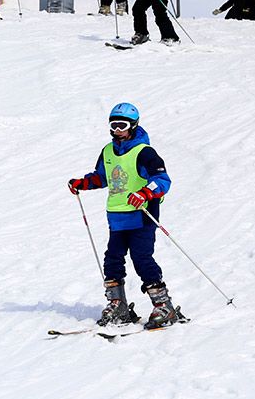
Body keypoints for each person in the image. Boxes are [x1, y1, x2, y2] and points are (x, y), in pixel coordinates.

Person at [67, 103, 180, 330]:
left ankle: (163, 306)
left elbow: (163, 180)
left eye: (123, 124)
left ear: (133, 125)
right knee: (113, 260)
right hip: (117, 217)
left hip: (142, 215)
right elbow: (102, 177)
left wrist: (145, 192)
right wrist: (82, 183)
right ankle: (117, 305)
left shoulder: (145, 152)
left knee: (142, 258)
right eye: (114, 124)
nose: (118, 129)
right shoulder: (108, 151)